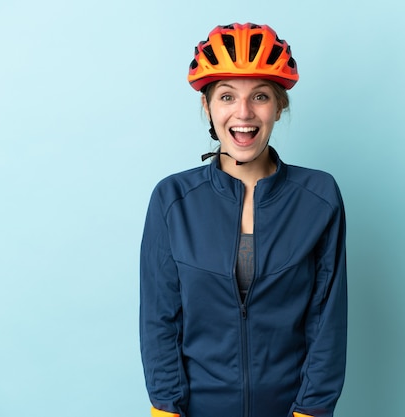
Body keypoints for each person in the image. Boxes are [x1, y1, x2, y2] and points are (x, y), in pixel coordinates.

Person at [139, 23, 347, 417]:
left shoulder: (319, 198)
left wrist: (311, 411)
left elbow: (327, 323)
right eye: (227, 96)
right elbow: (159, 323)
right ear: (207, 107)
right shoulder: (172, 200)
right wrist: (166, 410)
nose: (244, 113)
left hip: (292, 409)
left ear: (279, 106)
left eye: (261, 96)